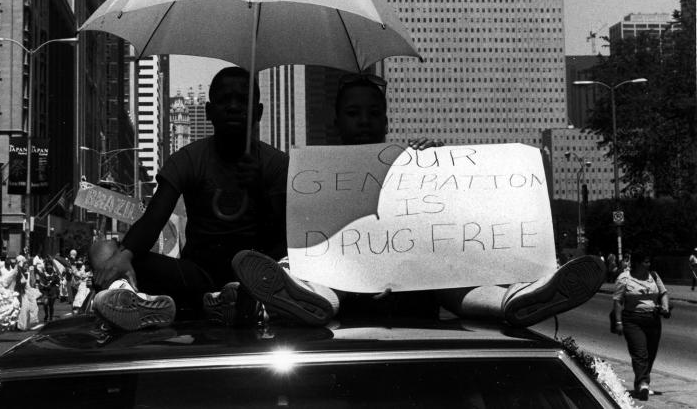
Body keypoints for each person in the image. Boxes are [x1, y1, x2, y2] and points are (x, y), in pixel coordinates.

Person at [228, 74, 606, 328]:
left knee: (456, 283)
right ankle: (308, 297)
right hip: (346, 285)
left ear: (387, 121)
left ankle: (516, 302)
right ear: (337, 122)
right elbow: (292, 232)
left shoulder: (414, 165)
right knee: (315, 272)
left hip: (416, 286)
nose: (364, 121)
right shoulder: (316, 177)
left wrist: (436, 167)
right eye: (353, 113)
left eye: (373, 113)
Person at [90, 66, 288, 331]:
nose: (233, 107)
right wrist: (124, 256)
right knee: (103, 250)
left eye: (243, 101)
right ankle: (128, 298)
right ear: (208, 111)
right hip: (198, 279)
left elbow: (285, 236)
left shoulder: (276, 164)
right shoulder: (189, 158)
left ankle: (241, 303)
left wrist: (259, 188)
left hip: (257, 277)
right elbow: (153, 219)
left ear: (258, 112)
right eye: (224, 100)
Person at [612, 253, 671, 400]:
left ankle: (640, 383)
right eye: (645, 261)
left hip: (653, 319)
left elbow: (663, 293)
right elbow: (618, 301)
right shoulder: (625, 278)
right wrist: (618, 322)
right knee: (640, 352)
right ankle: (644, 383)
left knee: (650, 353)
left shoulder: (654, 276)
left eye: (649, 261)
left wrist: (665, 306)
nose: (648, 264)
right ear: (637, 263)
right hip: (632, 320)